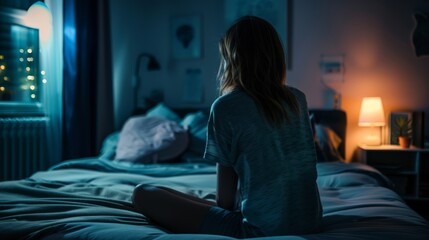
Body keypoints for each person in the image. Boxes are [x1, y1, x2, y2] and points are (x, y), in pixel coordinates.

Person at [132, 15, 322, 238]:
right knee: (168, 193)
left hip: (258, 230)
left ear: (232, 59)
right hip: (312, 223)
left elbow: (225, 202)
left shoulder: (226, 107)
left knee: (143, 193)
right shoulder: (297, 99)